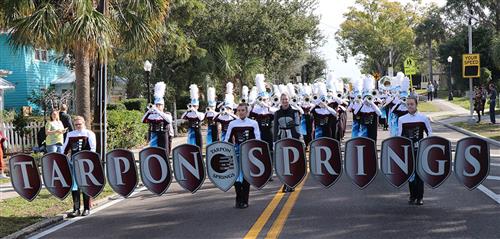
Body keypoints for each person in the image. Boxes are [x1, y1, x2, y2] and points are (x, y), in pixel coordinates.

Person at [224, 103, 261, 209]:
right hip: (236, 152)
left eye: (242, 110)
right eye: (239, 110)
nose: (240, 112)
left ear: (247, 111)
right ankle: (238, 198)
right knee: (237, 177)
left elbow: (257, 138)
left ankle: (245, 200)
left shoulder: (253, 123)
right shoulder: (232, 123)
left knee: (246, 177)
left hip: (249, 153)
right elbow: (227, 139)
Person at [398, 96, 432, 206]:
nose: (410, 106)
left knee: (419, 173)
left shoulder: (423, 118)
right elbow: (400, 136)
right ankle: (412, 196)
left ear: (416, 104)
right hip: (408, 150)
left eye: (412, 104)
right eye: (408, 104)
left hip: (420, 149)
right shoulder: (402, 119)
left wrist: (428, 147)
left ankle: (420, 197)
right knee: (410, 174)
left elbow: (430, 134)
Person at [62, 116, 96, 217]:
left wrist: (89, 161)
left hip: (85, 164)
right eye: (76, 124)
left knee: (85, 185)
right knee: (75, 186)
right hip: (74, 163)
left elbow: (93, 149)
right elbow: (65, 148)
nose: (77, 126)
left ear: (84, 123)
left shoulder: (89, 133)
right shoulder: (70, 134)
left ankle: (86, 208)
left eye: (79, 124)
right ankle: (76, 209)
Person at [273, 93, 301, 193]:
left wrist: (299, 140)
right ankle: (285, 183)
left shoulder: (295, 112)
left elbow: (298, 127)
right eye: (283, 99)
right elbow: (275, 127)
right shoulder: (277, 113)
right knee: (283, 162)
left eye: (286, 99)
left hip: (292, 137)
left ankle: (291, 183)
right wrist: (274, 141)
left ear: (289, 100)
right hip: (281, 137)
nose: (285, 101)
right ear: (280, 100)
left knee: (291, 161)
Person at [142, 82, 172, 151]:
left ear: (163, 106)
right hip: (153, 136)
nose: (158, 106)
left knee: (163, 155)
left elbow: (169, 120)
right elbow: (143, 120)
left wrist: (158, 111)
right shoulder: (152, 115)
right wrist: (149, 111)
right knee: (153, 153)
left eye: (160, 105)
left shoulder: (167, 114)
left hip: (163, 137)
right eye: (157, 105)